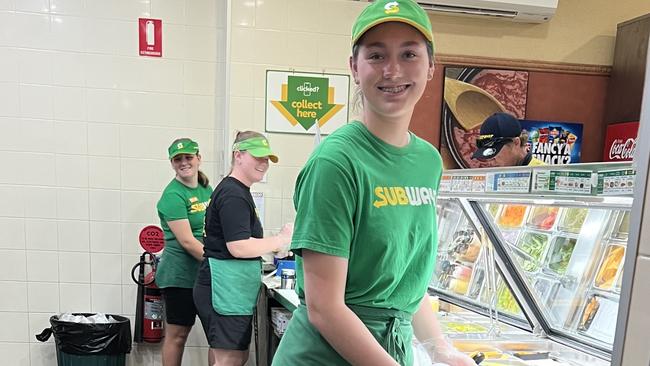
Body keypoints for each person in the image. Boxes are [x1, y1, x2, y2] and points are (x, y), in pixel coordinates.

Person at [272, 1, 476, 365]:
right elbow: (325, 307)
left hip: (387, 349)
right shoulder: (336, 162)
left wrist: (440, 348)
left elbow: (407, 288)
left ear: (431, 66)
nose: (393, 70)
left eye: (409, 54)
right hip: (325, 354)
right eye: (377, 55)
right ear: (354, 67)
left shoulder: (428, 161)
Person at [194, 131, 293, 366]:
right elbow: (238, 246)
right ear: (238, 155)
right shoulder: (233, 194)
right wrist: (280, 239)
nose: (264, 163)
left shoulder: (237, 191)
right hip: (224, 289)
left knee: (229, 355)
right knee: (230, 358)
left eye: (267, 158)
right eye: (258, 157)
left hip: (227, 288)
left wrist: (271, 247)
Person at [156, 138, 213, 366]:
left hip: (205, 275)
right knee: (177, 336)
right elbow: (188, 241)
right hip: (180, 277)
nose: (184, 162)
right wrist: (218, 263)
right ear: (172, 163)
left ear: (199, 158)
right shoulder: (172, 196)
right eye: (178, 159)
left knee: (216, 337)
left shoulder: (205, 188)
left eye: (188, 157)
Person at [471, 112, 546, 166]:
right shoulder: (493, 174)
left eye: (495, 151)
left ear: (516, 142)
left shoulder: (545, 174)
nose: (490, 159)